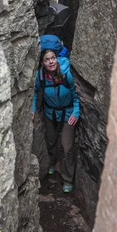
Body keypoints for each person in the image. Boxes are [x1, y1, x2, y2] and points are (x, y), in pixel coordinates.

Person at [31, 49, 80, 193]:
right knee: (50, 141)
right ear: (42, 63)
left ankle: (67, 178)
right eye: (47, 59)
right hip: (50, 113)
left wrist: (76, 113)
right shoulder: (40, 77)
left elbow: (76, 95)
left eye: (53, 58)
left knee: (67, 146)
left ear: (57, 59)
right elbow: (34, 93)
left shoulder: (67, 75)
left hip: (68, 113)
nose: (51, 61)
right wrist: (33, 108)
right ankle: (51, 163)